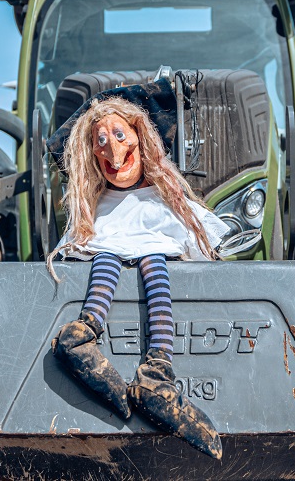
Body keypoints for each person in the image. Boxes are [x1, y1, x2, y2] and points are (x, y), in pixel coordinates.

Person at [47, 96, 227, 459]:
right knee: (106, 253)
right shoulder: (100, 209)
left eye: (118, 134)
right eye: (100, 140)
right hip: (110, 223)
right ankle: (84, 333)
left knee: (153, 258)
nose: (111, 148)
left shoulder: (159, 203)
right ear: (91, 153)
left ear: (139, 137)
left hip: (152, 223)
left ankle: (156, 369)